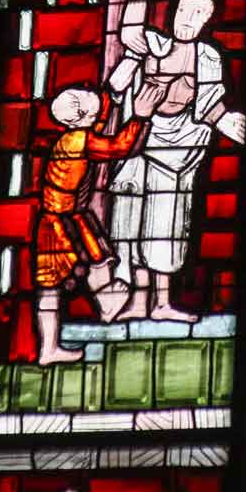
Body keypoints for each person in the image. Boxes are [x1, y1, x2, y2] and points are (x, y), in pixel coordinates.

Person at [105, 0, 246, 323]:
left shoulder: (208, 57)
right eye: (184, 11)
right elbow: (130, 37)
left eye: (198, 14)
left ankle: (163, 302)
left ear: (207, 21)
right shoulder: (154, 43)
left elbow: (210, 104)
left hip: (179, 149)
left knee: (165, 226)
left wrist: (229, 123)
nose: (187, 19)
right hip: (141, 142)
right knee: (131, 222)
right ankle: (138, 301)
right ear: (173, 13)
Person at [33, 84, 161, 364]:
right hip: (59, 223)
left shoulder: (73, 136)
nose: (97, 110)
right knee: (52, 285)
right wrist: (140, 116)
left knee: (97, 258)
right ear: (81, 116)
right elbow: (118, 147)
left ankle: (106, 305)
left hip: (69, 216)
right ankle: (48, 349)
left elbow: (99, 122)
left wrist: (111, 91)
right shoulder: (80, 141)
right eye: (92, 107)